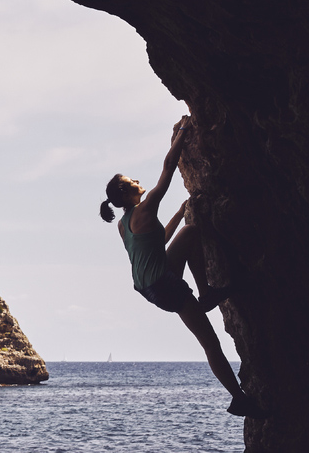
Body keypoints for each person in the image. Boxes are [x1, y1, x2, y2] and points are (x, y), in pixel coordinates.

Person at [100, 116, 266, 418]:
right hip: (164, 284)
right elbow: (167, 170)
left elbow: (159, 243)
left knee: (189, 231)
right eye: (133, 181)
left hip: (151, 287)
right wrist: (182, 133)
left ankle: (206, 294)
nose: (140, 182)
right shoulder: (145, 206)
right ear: (126, 193)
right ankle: (239, 398)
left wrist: (180, 212)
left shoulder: (124, 225)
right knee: (210, 343)